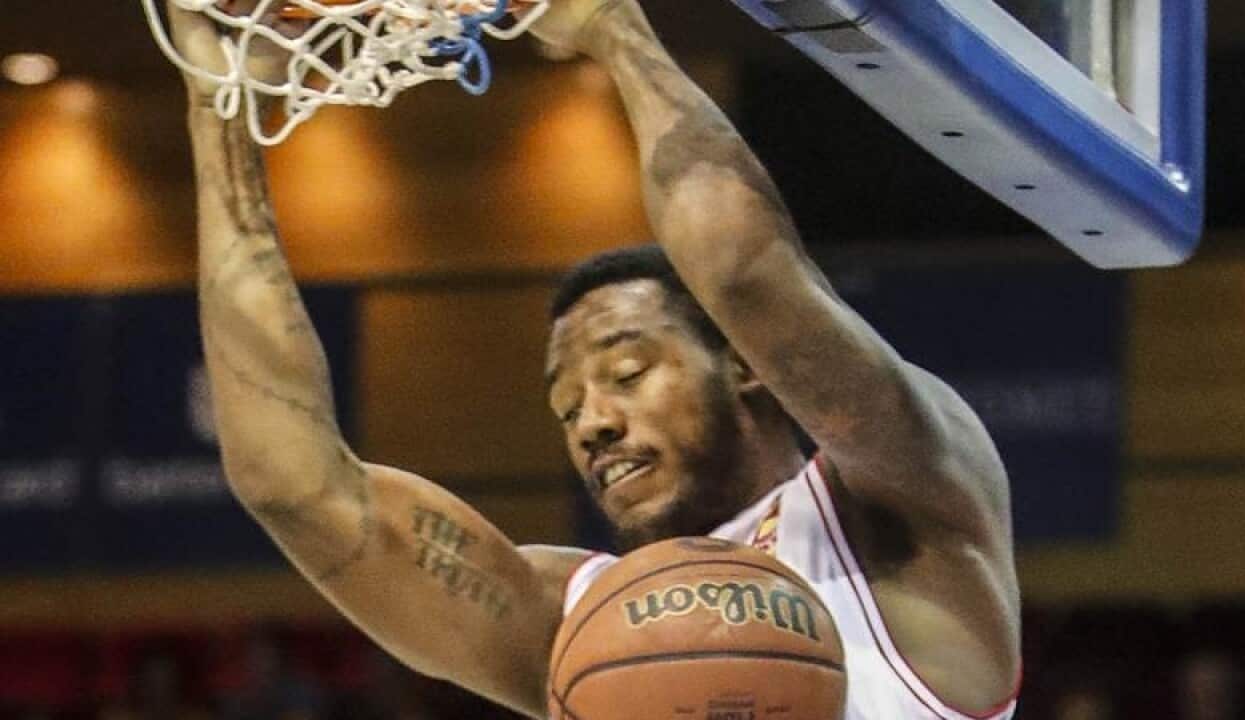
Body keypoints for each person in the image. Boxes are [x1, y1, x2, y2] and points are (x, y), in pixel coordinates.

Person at [166, 0, 1021, 716]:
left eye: (626, 371)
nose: (594, 424)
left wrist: (617, 31)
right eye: (567, 407)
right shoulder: (572, 618)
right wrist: (217, 104)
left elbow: (744, 274)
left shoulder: (902, 507)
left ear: (745, 365)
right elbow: (294, 485)